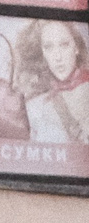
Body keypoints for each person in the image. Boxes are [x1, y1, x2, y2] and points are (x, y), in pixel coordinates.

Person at [15, 16, 89, 146]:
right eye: (49, 47)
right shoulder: (36, 105)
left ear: (76, 47)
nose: (58, 57)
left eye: (64, 45)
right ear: (43, 53)